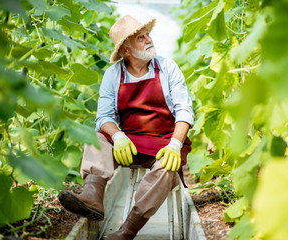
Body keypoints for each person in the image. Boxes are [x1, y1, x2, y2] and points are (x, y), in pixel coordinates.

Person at [58, 15, 194, 240]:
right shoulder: (113, 74)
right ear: (126, 51)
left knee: (167, 169)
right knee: (97, 137)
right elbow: (103, 117)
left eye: (147, 34)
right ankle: (93, 195)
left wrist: (175, 144)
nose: (148, 39)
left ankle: (127, 230)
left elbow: (185, 111)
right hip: (129, 142)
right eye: (140, 38)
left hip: (165, 143)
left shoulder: (167, 68)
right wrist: (118, 135)